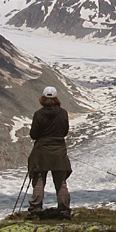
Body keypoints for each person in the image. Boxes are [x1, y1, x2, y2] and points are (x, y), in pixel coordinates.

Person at [26, 86, 72, 220]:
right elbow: (64, 132)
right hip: (58, 151)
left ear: (43, 98)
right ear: (56, 98)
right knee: (61, 182)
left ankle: (35, 210)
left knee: (39, 181)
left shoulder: (39, 114)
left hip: (41, 151)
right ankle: (64, 210)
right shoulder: (63, 113)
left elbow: (34, 134)